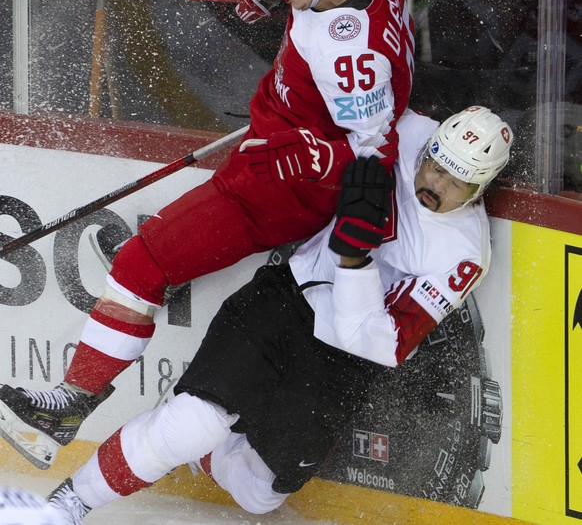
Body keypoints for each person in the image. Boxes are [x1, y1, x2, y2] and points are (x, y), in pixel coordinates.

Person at [0, 0, 415, 470]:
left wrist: (303, 158)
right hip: (273, 148)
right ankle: (73, 396)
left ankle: (67, 408)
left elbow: (372, 155)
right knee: (146, 261)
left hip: (279, 188)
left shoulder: (346, 53)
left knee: (142, 264)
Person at [38, 106, 513, 524]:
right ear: (431, 143)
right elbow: (327, 97)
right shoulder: (404, 128)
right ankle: (70, 504)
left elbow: (383, 344)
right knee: (189, 424)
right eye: (434, 164)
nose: (434, 183)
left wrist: (354, 261)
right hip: (284, 302)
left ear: (480, 187)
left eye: (457, 182)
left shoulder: (465, 254)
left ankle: (206, 451)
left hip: (344, 360)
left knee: (260, 494)